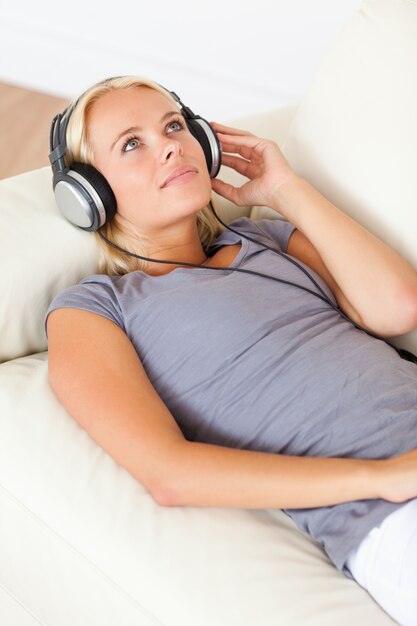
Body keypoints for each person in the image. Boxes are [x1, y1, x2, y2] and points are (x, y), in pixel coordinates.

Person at [46, 75, 417, 625]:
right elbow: (170, 474)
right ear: (89, 196)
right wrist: (383, 479)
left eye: (175, 125)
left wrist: (284, 187)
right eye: (132, 143)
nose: (171, 144)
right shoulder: (96, 309)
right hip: (389, 512)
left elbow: (398, 307)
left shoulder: (268, 238)